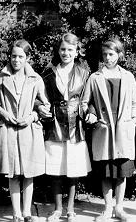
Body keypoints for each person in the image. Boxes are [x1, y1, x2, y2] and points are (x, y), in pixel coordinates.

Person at [0, 40, 48, 222]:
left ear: (27, 58)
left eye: (21, 56)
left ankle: (27, 212)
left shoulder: (36, 79)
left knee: (29, 173)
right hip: (9, 130)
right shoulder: (1, 77)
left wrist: (32, 117)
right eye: (13, 56)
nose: (16, 60)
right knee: (13, 172)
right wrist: (3, 113)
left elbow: (45, 106)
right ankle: (16, 213)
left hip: (29, 130)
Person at [81, 38, 136, 222]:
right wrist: (89, 114)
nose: (108, 57)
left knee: (121, 171)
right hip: (104, 130)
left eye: (112, 54)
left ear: (119, 55)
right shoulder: (95, 77)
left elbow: (135, 103)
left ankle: (119, 208)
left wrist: (134, 119)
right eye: (105, 54)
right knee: (106, 172)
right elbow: (85, 103)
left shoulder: (128, 76)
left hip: (123, 130)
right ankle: (107, 208)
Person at [37, 33, 92, 222]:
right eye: (62, 49)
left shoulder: (84, 74)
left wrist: (90, 112)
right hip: (55, 125)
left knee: (73, 169)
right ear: (58, 51)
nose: (66, 53)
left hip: (76, 125)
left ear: (76, 52)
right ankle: (57, 209)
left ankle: (70, 209)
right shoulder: (49, 72)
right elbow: (39, 97)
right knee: (56, 168)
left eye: (70, 50)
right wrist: (39, 107)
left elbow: (90, 99)